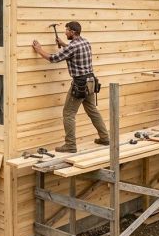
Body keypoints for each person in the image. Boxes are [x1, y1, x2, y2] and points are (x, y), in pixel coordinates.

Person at [32, 21, 109, 153]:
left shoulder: (72, 47)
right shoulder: (85, 42)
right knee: (92, 110)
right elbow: (74, 51)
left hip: (80, 84)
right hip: (91, 81)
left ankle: (70, 145)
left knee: (68, 114)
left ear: (73, 32)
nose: (65, 32)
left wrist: (39, 50)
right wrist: (63, 44)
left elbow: (53, 58)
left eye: (67, 30)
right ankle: (105, 138)